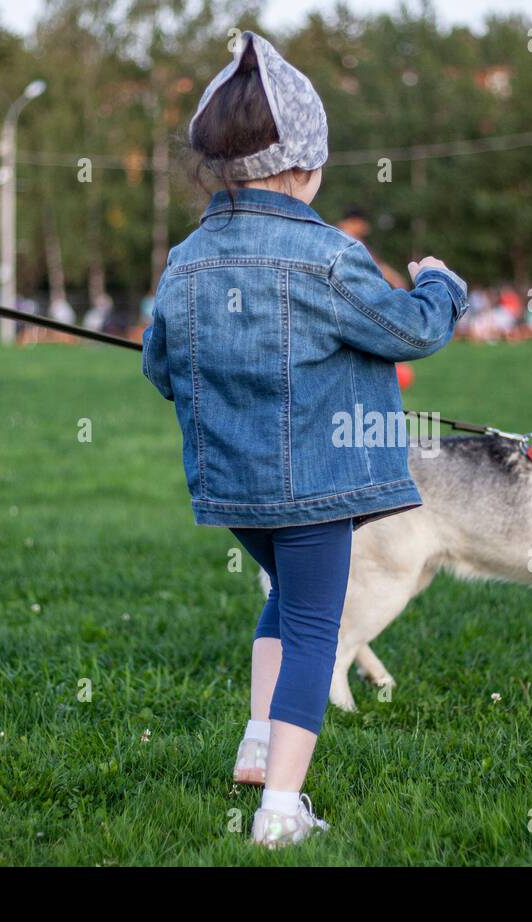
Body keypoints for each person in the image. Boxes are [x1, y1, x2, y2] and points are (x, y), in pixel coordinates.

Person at [140, 32, 467, 848]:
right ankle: (281, 812)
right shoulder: (329, 256)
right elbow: (413, 332)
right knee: (317, 627)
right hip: (316, 487)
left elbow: (158, 365)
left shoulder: (183, 262)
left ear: (217, 166)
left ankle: (259, 740)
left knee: (286, 600)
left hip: (234, 492)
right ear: (308, 167)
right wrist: (440, 282)